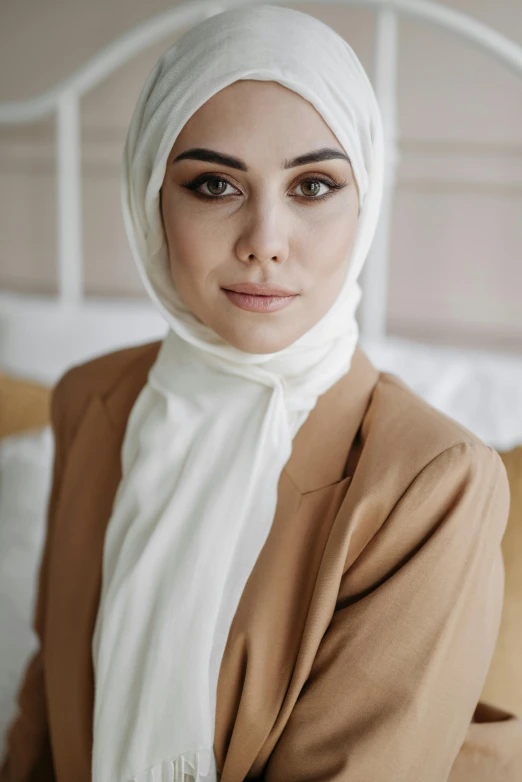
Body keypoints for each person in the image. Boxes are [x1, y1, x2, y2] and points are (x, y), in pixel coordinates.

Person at [1, 4, 522, 781]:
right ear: (152, 199)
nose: (265, 241)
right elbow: (47, 714)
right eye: (214, 184)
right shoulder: (90, 402)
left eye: (313, 185)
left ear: (365, 202)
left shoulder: (434, 480)